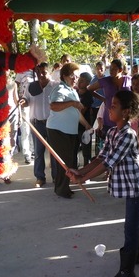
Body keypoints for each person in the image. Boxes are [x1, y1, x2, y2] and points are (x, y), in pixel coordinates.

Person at [67, 90, 139, 277]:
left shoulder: (128, 135)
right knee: (136, 220)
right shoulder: (113, 132)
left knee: (130, 227)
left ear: (126, 112)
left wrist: (84, 178)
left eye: (114, 105)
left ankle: (127, 272)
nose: (109, 108)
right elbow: (101, 158)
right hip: (131, 186)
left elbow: (109, 164)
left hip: (137, 186)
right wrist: (80, 172)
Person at [47, 63, 92, 199]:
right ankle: (61, 189)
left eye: (77, 76)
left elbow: (76, 112)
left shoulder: (72, 90)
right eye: (72, 75)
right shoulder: (60, 88)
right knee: (64, 161)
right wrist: (72, 103)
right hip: (58, 130)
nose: (75, 78)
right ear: (65, 75)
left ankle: (64, 186)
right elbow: (54, 106)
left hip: (70, 130)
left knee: (70, 161)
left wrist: (87, 125)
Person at [20, 62, 59, 187]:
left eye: (44, 72)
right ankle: (40, 177)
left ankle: (56, 177)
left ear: (49, 72)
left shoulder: (55, 86)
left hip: (52, 123)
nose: (42, 74)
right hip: (37, 124)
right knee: (38, 152)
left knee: (54, 152)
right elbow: (26, 100)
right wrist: (23, 101)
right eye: (39, 72)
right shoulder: (31, 86)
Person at [88, 59, 131, 140]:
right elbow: (89, 89)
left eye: (114, 69)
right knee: (109, 145)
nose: (111, 71)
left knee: (123, 144)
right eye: (110, 68)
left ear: (120, 70)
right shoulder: (105, 81)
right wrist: (103, 99)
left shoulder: (128, 80)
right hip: (109, 118)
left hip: (124, 118)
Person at [15, 68, 37, 164]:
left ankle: (33, 151)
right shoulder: (20, 72)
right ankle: (27, 153)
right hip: (25, 103)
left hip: (35, 103)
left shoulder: (36, 71)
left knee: (34, 129)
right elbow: (16, 86)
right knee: (26, 129)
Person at [76, 72, 94, 167]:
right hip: (74, 127)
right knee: (74, 149)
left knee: (86, 151)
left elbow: (81, 111)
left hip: (84, 127)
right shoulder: (74, 93)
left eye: (82, 81)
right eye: (79, 80)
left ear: (87, 83)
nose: (79, 83)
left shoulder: (88, 95)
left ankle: (87, 170)